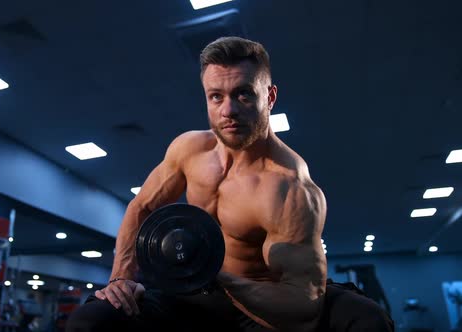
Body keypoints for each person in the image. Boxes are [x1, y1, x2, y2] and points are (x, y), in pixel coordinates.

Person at [66, 36, 394, 331]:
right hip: (195, 295)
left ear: (270, 96)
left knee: (366, 319)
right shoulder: (189, 150)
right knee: (90, 320)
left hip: (263, 300)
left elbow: (302, 305)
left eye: (243, 95)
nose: (229, 110)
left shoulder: (289, 186)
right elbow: (144, 206)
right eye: (216, 97)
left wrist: (216, 276)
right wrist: (123, 276)